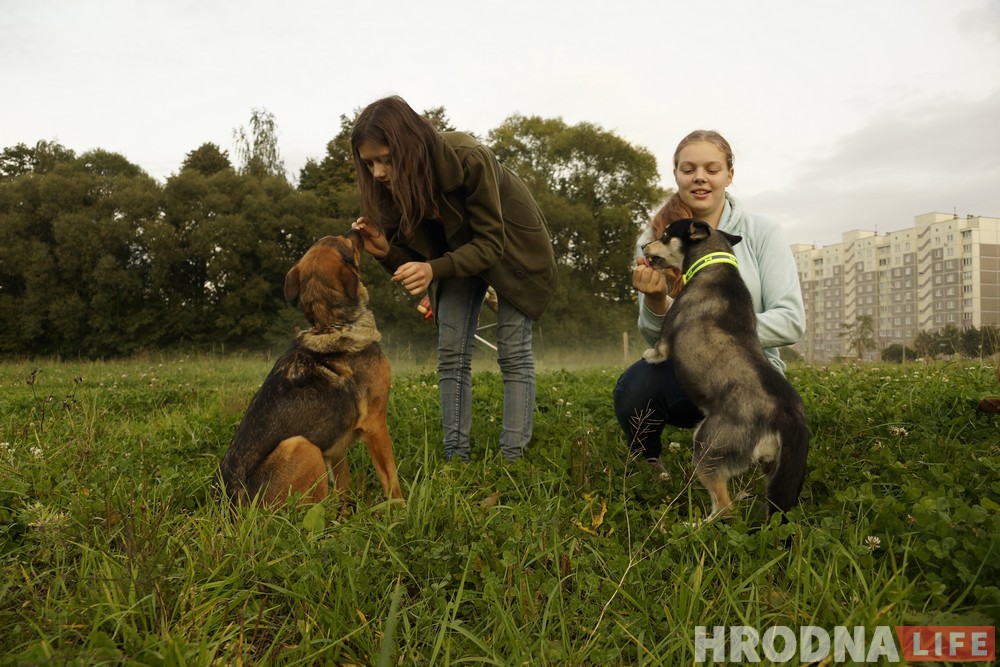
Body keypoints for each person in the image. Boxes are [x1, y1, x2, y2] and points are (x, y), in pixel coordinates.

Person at [349, 96, 558, 463]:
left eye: (386, 159)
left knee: (512, 350)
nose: (378, 173)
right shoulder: (390, 188)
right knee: (451, 352)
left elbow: (489, 245)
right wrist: (385, 251)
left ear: (409, 146)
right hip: (456, 256)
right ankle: (455, 458)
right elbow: (419, 263)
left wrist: (432, 269)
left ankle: (512, 459)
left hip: (513, 251)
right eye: (369, 163)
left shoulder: (468, 156)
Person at [613, 130, 806, 474]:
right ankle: (648, 465)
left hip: (751, 375)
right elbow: (657, 343)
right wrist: (655, 301)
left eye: (712, 169)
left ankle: (755, 448)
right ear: (676, 175)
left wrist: (713, 331)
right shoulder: (656, 238)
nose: (699, 177)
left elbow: (791, 321)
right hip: (690, 371)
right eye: (688, 169)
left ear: (729, 175)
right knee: (635, 385)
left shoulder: (762, 232)